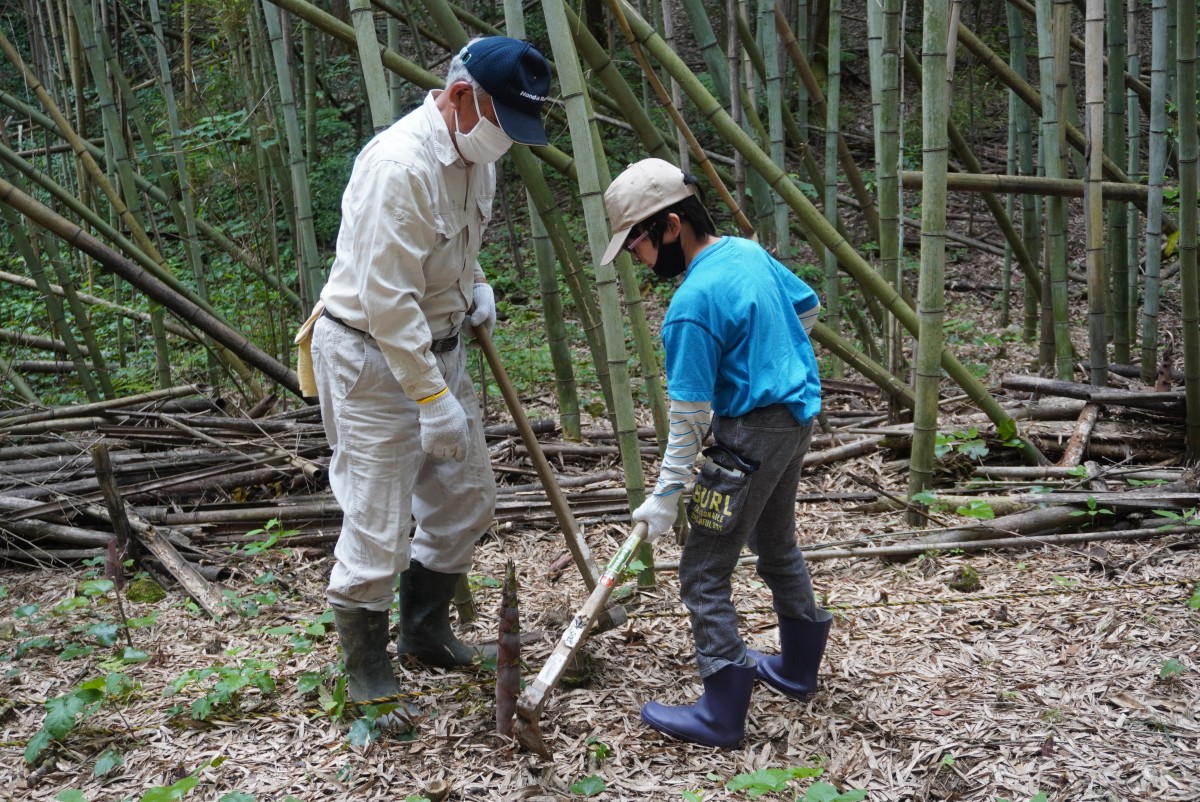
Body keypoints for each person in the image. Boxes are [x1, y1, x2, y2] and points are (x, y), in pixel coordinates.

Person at [301, 37, 551, 730]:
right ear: (463, 97)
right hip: (370, 356)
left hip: (442, 345)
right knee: (379, 519)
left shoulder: (479, 159)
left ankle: (423, 630)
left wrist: (475, 285)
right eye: (505, 122)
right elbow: (387, 303)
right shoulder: (397, 167)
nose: (507, 142)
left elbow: (454, 249)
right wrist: (431, 401)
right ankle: (367, 673)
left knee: (467, 500)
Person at [600, 158, 833, 749]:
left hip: (749, 437)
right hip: (796, 416)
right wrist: (769, 358)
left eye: (637, 247)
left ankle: (722, 712)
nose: (637, 260)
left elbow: (688, 419)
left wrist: (664, 495)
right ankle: (799, 671)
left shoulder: (691, 305)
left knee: (703, 569)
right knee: (776, 542)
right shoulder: (746, 253)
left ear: (671, 226)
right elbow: (806, 308)